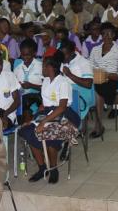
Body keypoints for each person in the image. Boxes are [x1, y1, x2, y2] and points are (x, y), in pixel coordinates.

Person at [21, 52, 80, 184]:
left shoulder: (63, 82)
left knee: (50, 137)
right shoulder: (46, 81)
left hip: (65, 114)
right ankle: (42, 168)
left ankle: (53, 169)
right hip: (48, 113)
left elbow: (62, 107)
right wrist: (37, 117)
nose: (42, 69)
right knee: (28, 132)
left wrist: (43, 121)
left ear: (51, 68)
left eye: (44, 66)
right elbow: (47, 101)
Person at [90, 23, 118, 120]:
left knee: (100, 87)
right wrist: (98, 74)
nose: (106, 36)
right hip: (96, 78)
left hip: (111, 79)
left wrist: (106, 75)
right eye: (103, 34)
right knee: (90, 85)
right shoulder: (95, 50)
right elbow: (90, 67)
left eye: (109, 33)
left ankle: (98, 120)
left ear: (114, 35)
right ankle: (97, 116)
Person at [13, 39, 43, 114]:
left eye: (28, 55)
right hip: (20, 99)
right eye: (23, 55)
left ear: (34, 53)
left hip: (36, 100)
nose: (25, 57)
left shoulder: (41, 65)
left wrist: (31, 86)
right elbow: (13, 84)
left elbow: (47, 87)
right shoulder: (17, 65)